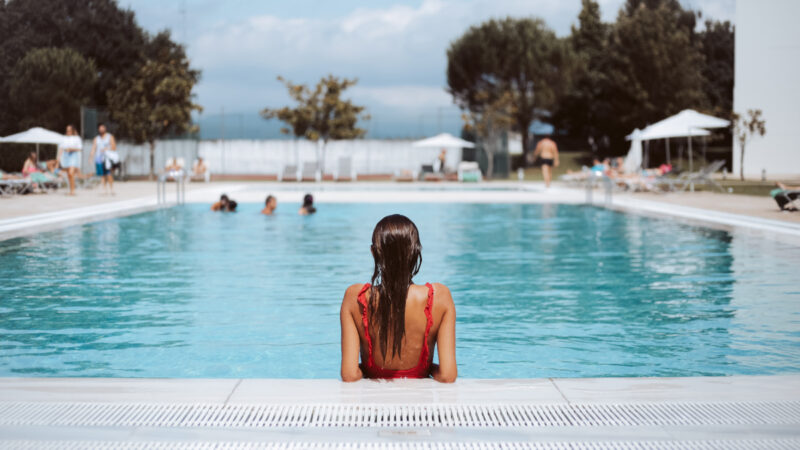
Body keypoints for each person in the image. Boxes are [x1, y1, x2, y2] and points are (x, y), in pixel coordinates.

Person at [339, 214, 457, 382]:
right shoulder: (440, 297)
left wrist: (365, 368)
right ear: (416, 251)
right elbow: (447, 375)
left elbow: (350, 375)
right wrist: (428, 367)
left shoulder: (356, 297)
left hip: (372, 406)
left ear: (374, 253)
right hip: (420, 408)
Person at [89, 123, 117, 195]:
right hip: (99, 158)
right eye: (100, 128)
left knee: (109, 174)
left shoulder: (109, 137)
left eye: (103, 128)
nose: (101, 129)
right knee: (102, 175)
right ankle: (104, 189)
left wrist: (106, 149)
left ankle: (112, 189)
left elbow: (114, 147)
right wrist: (91, 157)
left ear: (105, 128)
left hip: (107, 158)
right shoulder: (96, 138)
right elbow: (93, 148)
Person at [58, 125, 82, 195]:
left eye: (69, 130)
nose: (68, 131)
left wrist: (71, 149)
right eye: (67, 130)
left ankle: (73, 190)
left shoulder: (77, 138)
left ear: (72, 130)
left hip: (73, 155)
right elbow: (61, 148)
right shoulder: (64, 138)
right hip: (65, 156)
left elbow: (80, 148)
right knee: (69, 174)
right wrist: (58, 158)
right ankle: (71, 189)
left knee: (71, 173)